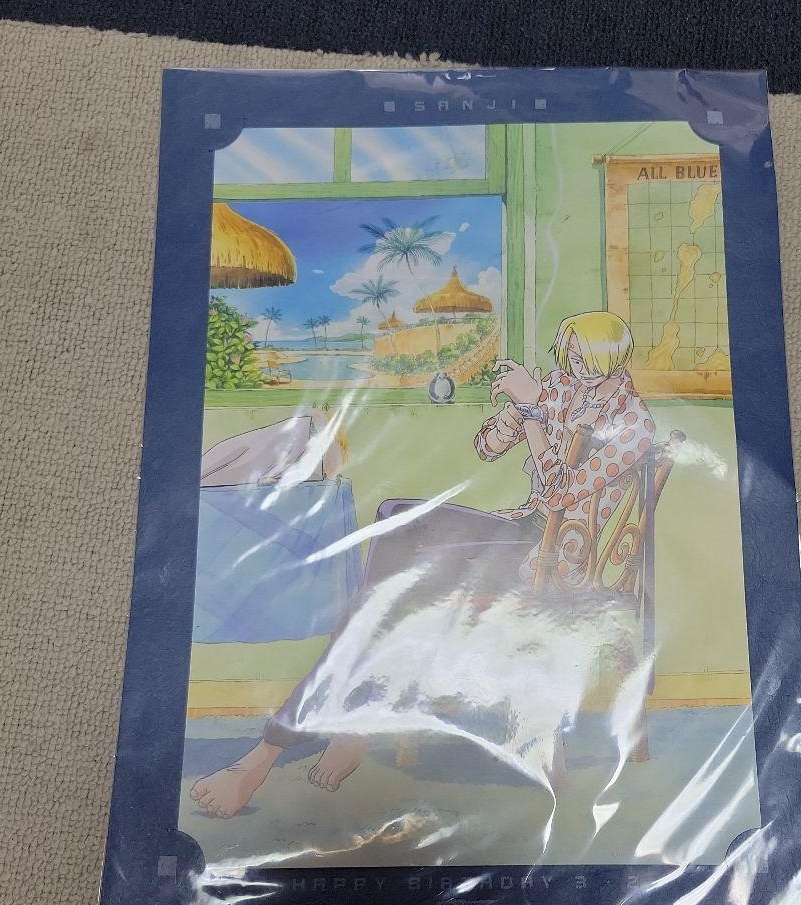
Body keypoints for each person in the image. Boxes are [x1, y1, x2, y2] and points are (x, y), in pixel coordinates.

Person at [190, 311, 656, 818]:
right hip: (525, 532)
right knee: (393, 520)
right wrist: (517, 410)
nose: (573, 372)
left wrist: (534, 412)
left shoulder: (634, 425)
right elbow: (486, 448)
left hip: (558, 561)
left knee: (382, 604)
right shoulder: (566, 390)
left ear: (613, 361)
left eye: (585, 363)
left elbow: (563, 493)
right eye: (569, 359)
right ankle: (349, 715)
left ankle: (269, 755)